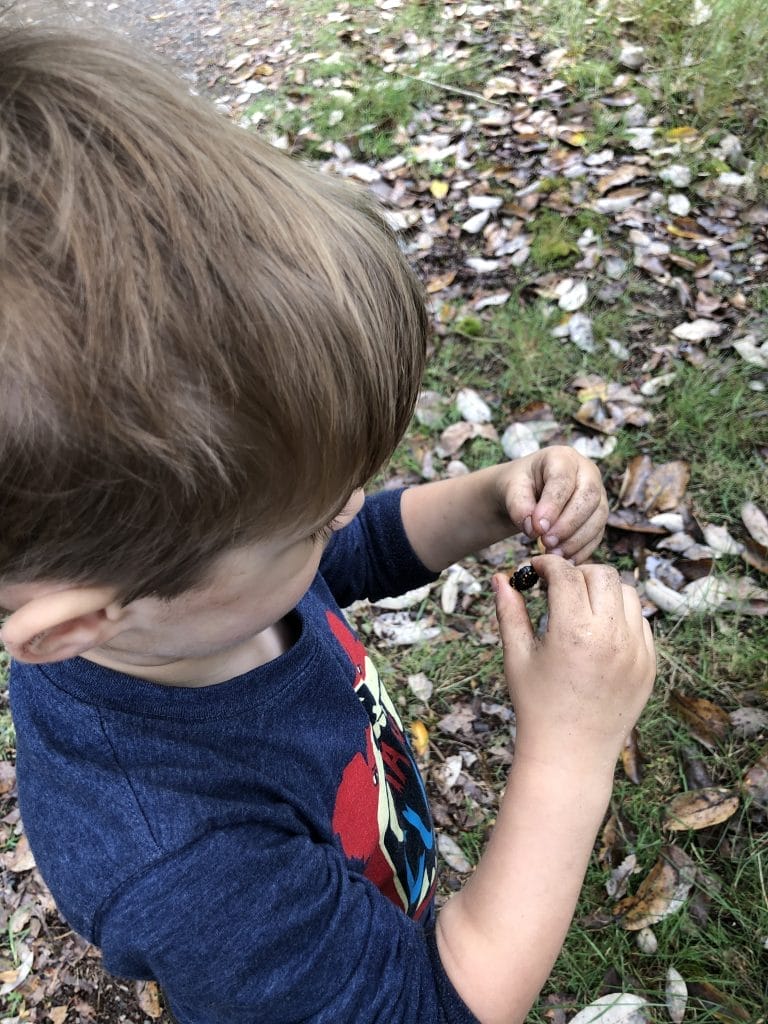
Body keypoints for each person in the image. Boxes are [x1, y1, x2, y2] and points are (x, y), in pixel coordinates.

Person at [0, 23, 656, 1024]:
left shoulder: (167, 595)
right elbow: (430, 1005)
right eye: (308, 522)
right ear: (77, 625)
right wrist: (569, 751)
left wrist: (491, 498)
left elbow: (352, 551)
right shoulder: (191, 866)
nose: (346, 516)